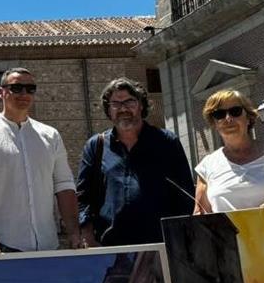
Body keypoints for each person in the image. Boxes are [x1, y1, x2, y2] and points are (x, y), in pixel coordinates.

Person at [0, 68, 81, 252]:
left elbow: (64, 186)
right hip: (2, 247)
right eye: (16, 88)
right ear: (1, 92)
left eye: (30, 88)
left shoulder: (51, 135)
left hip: (48, 245)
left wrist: (74, 232)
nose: (24, 93)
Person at [77, 77, 194, 246]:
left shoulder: (166, 142)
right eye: (116, 104)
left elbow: (185, 194)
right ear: (108, 110)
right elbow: (83, 197)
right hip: (111, 247)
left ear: (141, 105)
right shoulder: (97, 146)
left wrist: (180, 241)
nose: (123, 108)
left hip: (160, 245)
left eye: (129, 102)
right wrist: (87, 235)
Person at [194, 89, 264, 213]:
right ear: (214, 123)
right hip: (227, 233)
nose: (228, 118)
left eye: (235, 112)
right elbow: (200, 215)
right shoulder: (207, 166)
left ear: (248, 118)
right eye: (219, 114)